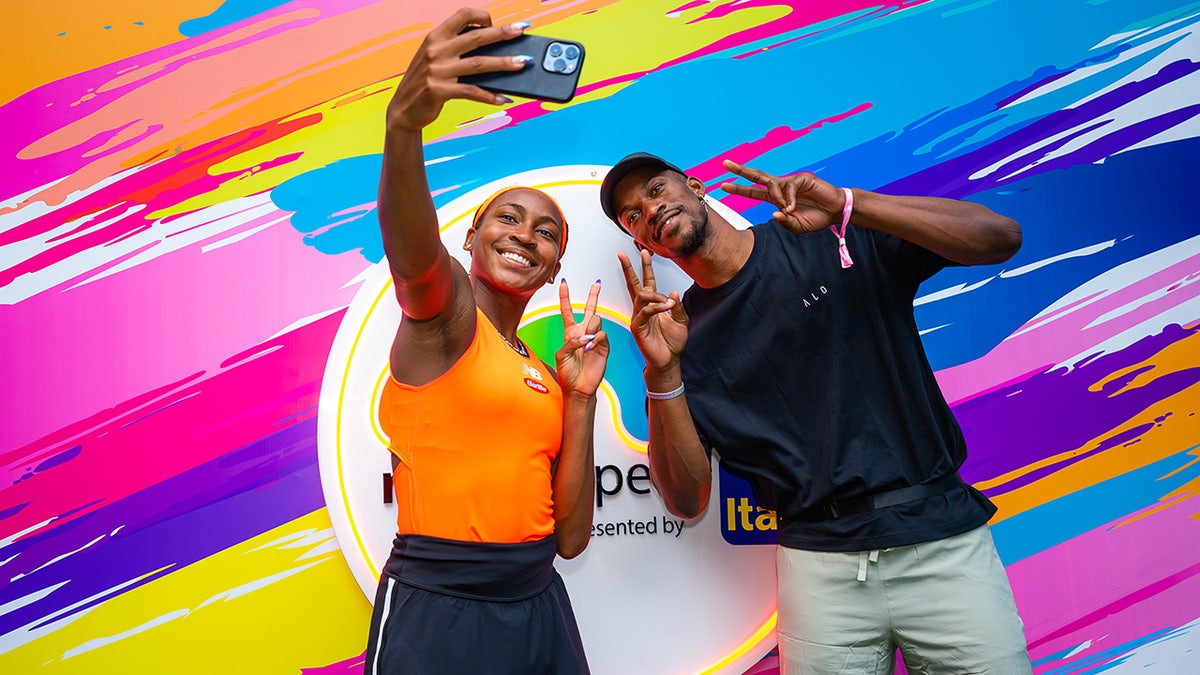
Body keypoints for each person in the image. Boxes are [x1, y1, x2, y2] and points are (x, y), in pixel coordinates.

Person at [601, 151, 1032, 674]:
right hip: (818, 566)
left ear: (695, 187)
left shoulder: (826, 235)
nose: (648, 209)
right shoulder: (679, 335)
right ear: (643, 243)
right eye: (631, 216)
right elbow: (686, 498)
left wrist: (851, 206)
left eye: (655, 189)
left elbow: (1000, 236)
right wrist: (663, 374)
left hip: (941, 541)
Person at [363, 8, 607, 674]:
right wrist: (403, 125)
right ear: (470, 238)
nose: (526, 233)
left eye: (546, 231)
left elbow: (573, 536)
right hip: (439, 604)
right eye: (509, 217)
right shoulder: (447, 321)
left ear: (554, 265)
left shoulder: (545, 372)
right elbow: (413, 260)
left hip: (536, 600)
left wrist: (580, 399)